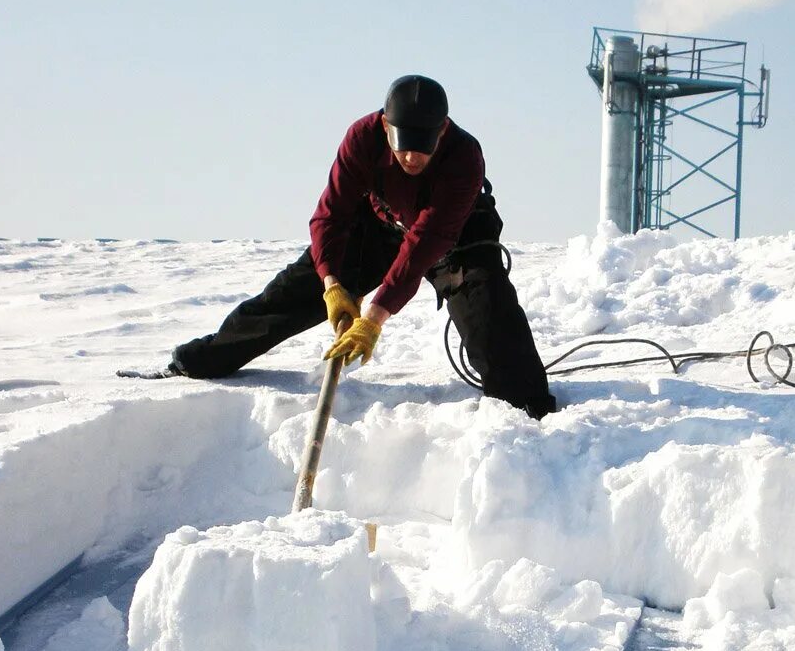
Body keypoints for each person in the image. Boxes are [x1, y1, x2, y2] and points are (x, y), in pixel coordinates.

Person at [168, 74, 556, 420]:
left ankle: (527, 409)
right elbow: (330, 217)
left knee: (487, 309)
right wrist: (332, 284)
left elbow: (425, 243)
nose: (411, 157)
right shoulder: (362, 137)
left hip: (456, 235)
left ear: (443, 131)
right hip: (379, 224)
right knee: (292, 294)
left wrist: (373, 319)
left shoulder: (464, 157)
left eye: (424, 146)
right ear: (386, 127)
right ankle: (204, 359)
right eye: (403, 145)